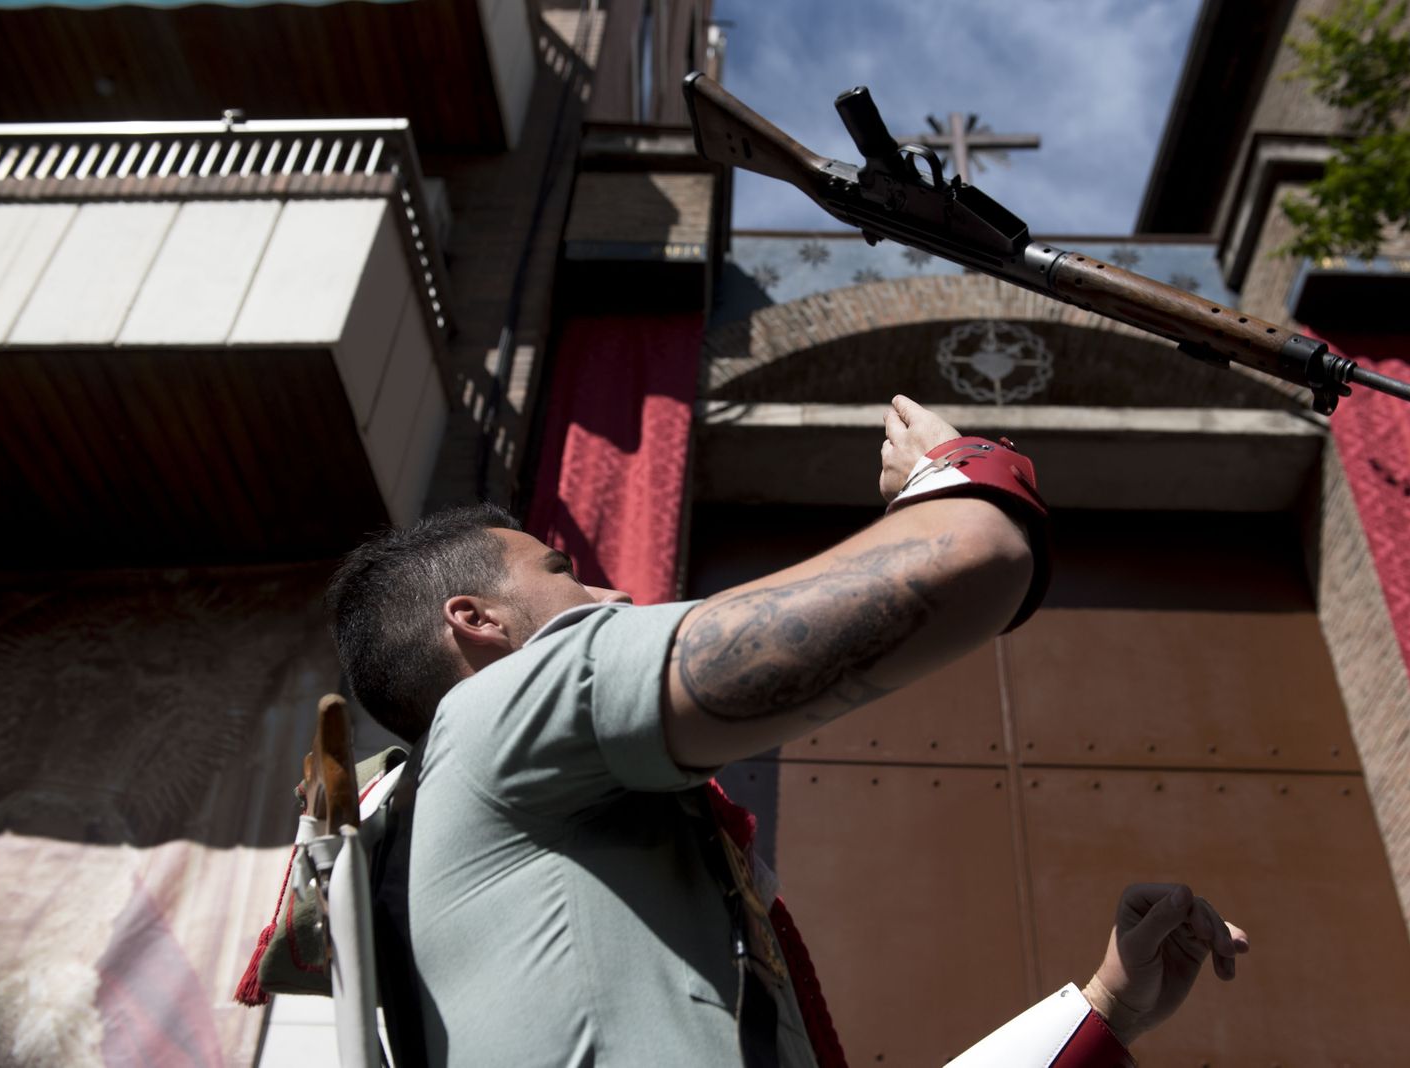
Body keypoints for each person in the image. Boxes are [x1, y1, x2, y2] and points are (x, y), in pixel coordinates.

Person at [326, 395, 1248, 1066]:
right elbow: (976, 557)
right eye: (564, 569)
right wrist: (954, 472)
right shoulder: (504, 708)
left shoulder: (481, 835)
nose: (615, 595)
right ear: (476, 622)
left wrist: (1103, 1011)